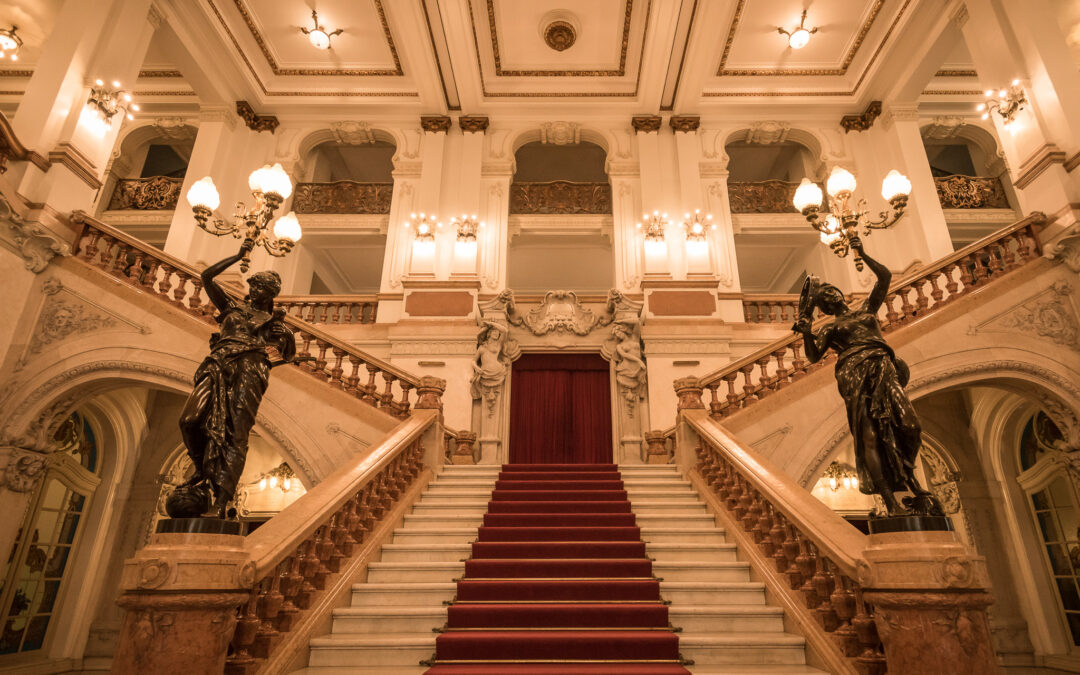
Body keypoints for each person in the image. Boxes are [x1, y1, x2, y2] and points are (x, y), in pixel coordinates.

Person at [793, 237, 941, 517]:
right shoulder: (830, 328)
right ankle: (889, 499)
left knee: (910, 426)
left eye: (832, 290)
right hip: (853, 374)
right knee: (869, 437)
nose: (831, 295)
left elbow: (883, 277)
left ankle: (908, 475)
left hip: (883, 366)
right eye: (825, 297)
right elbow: (813, 357)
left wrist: (861, 252)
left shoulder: (866, 310)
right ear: (823, 307)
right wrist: (806, 331)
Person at [173, 239, 296, 518]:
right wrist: (238, 255)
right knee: (189, 420)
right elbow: (206, 277)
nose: (254, 290)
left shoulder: (273, 322)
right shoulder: (231, 308)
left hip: (250, 370)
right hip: (217, 363)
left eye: (261, 287)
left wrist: (277, 329)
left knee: (237, 433)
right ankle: (201, 469)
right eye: (253, 285)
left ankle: (222, 501)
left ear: (271, 293)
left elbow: (286, 355)